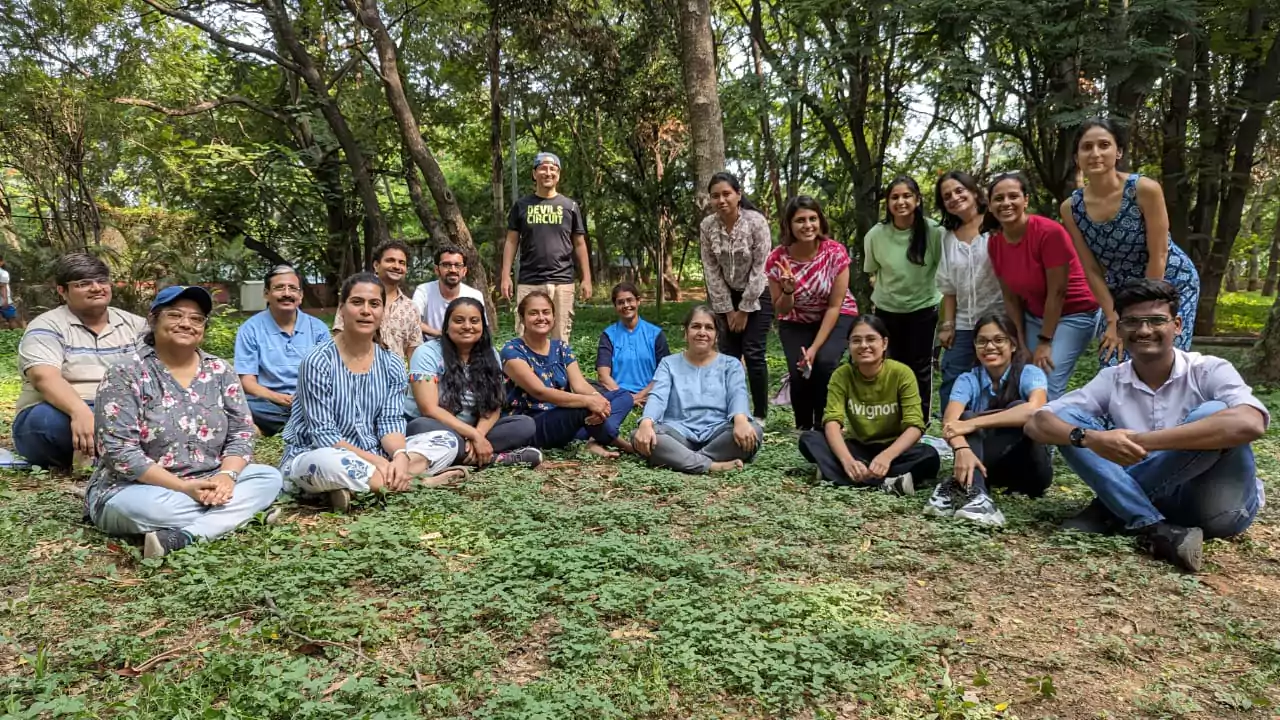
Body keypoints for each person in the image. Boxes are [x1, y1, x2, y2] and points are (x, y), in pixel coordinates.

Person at [1027, 279, 1268, 573]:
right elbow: (1038, 422)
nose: (1143, 331)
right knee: (1071, 426)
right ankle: (1155, 527)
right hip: (1157, 499)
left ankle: (1107, 509)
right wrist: (1091, 439)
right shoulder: (1112, 379)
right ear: (1119, 328)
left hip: (1217, 507)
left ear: (1177, 325)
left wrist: (1147, 441)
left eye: (1156, 321)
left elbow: (1251, 423)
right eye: (1132, 322)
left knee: (1215, 413)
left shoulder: (1208, 369)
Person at [85, 285, 282, 559]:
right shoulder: (126, 373)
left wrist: (226, 476)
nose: (186, 324)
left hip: (210, 478)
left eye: (196, 318)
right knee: (146, 509)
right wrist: (183, 488)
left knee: (269, 478)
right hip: (139, 490)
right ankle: (241, 514)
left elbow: (242, 433)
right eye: (175, 315)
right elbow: (120, 452)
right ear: (154, 320)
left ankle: (186, 536)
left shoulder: (220, 370)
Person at [281, 274, 463, 511]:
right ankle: (419, 483)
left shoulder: (392, 364)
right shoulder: (317, 361)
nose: (366, 311)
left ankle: (365, 485)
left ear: (383, 311)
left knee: (446, 440)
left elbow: (390, 421)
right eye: (357, 302)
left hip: (375, 454)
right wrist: (378, 461)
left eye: (374, 304)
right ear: (342, 309)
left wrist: (398, 455)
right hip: (318, 453)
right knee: (326, 463)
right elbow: (323, 435)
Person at [1063, 117, 1200, 364]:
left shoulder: (1144, 190)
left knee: (1160, 359)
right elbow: (1091, 269)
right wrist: (1114, 319)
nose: (1095, 153)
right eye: (1086, 147)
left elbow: (1159, 254)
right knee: (1113, 362)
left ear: (1119, 152)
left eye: (1104, 145)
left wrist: (1144, 315)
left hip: (1167, 280)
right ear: (1076, 158)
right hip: (1119, 291)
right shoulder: (1071, 208)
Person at [13, 253, 146, 470]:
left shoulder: (136, 325)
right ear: (62, 291)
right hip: (61, 410)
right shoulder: (47, 326)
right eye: (83, 283)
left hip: (122, 409)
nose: (96, 288)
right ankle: (125, 456)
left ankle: (105, 456)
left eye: (102, 281)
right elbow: (44, 377)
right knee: (46, 424)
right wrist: (79, 411)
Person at [925, 313, 1052, 527]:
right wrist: (962, 449)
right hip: (988, 469)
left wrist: (974, 423)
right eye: (982, 341)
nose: (989, 346)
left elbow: (1035, 411)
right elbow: (950, 423)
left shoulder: (1029, 373)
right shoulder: (968, 379)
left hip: (1031, 470)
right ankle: (978, 496)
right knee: (965, 416)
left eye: (998, 340)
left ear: (1012, 345)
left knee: (1016, 409)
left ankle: (961, 487)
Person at [986, 172, 1100, 399]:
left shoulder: (1049, 232)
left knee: (1047, 379)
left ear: (1025, 200)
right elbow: (1010, 297)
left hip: (1075, 313)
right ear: (989, 205)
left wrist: (1044, 342)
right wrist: (1017, 339)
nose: (1006, 203)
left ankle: (1055, 431)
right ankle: (1022, 430)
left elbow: (1057, 292)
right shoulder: (995, 242)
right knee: (1023, 374)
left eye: (1013, 196)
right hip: (1034, 315)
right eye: (998, 198)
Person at [798, 315, 940, 494]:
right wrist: (847, 461)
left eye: (871, 339)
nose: (864, 346)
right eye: (856, 340)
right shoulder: (842, 375)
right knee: (809, 439)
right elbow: (832, 421)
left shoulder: (901, 373)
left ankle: (837, 475)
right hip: (858, 448)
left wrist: (886, 456)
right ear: (849, 345)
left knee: (929, 455)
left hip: (894, 449)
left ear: (885, 343)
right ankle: (887, 482)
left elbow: (915, 425)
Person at [406, 297, 542, 467]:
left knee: (524, 425)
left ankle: (463, 454)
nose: (467, 326)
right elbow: (429, 409)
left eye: (474, 321)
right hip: (435, 428)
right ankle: (492, 458)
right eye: (459, 321)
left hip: (472, 429)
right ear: (447, 326)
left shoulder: (490, 354)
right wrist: (474, 436)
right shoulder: (427, 353)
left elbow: (494, 406)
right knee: (420, 426)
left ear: (482, 327)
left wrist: (478, 434)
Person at [631, 306, 763, 474]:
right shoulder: (668, 363)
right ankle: (711, 465)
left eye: (709, 327)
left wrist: (741, 421)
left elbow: (737, 394)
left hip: (718, 432)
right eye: (696, 326)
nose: (702, 332)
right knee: (639, 435)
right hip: (678, 434)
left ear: (716, 336)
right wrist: (646, 423)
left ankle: (681, 459)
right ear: (685, 333)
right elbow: (657, 397)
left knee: (754, 431)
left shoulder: (731, 364)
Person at [502, 290, 633, 458]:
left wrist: (596, 399)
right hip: (533, 424)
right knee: (582, 408)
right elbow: (540, 392)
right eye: (533, 313)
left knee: (623, 396)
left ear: (554, 317)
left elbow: (580, 385)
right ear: (522, 319)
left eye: (546, 312)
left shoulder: (561, 348)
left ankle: (594, 439)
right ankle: (619, 443)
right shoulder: (512, 350)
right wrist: (588, 402)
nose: (541, 317)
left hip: (564, 420)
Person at [766, 195, 859, 430]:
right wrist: (788, 290)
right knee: (799, 372)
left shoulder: (835, 253)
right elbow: (781, 309)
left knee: (824, 364)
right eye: (800, 220)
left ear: (820, 221)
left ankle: (825, 426)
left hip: (836, 314)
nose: (807, 226)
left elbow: (834, 306)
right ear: (789, 225)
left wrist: (814, 349)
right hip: (796, 318)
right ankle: (804, 428)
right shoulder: (777, 259)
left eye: (812, 219)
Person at [863, 175, 944, 420]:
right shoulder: (876, 235)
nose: (901, 201)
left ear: (918, 200)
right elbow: (872, 272)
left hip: (924, 308)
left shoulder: (934, 232)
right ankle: (891, 418)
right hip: (888, 311)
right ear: (887, 203)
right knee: (889, 365)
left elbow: (945, 270)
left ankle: (918, 421)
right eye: (895, 197)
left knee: (920, 367)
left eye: (907, 196)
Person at [700, 171, 773, 419]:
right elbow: (711, 270)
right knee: (728, 356)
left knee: (753, 352)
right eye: (715, 196)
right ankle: (732, 410)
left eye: (726, 194)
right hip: (724, 298)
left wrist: (744, 309)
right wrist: (728, 309)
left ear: (738, 195)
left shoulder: (756, 222)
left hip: (757, 293)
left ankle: (760, 414)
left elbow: (761, 267)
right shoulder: (707, 226)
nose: (721, 200)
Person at [500, 152, 592, 343]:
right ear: (534, 174)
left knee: (560, 339)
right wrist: (505, 276)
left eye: (553, 168)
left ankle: (558, 373)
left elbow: (580, 243)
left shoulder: (570, 206)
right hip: (529, 280)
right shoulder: (521, 206)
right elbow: (511, 241)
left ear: (558, 174)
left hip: (563, 281)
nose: (548, 172)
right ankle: (527, 373)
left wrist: (586, 278)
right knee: (526, 338)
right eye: (543, 167)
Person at [234, 264, 331, 436]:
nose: (287, 293)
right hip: (268, 402)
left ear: (300, 296)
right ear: (266, 294)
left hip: (310, 401)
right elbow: (247, 382)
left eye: (293, 288)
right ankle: (301, 425)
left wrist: (305, 400)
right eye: (279, 288)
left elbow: (328, 376)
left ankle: (266, 428)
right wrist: (280, 399)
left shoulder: (318, 328)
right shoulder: (250, 329)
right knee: (237, 402)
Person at [934, 171, 1002, 406]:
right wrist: (947, 325)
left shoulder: (997, 225)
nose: (954, 197)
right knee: (952, 378)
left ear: (973, 192)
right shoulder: (947, 239)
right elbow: (949, 288)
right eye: (947, 196)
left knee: (1000, 379)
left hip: (1001, 319)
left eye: (959, 190)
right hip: (964, 323)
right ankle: (954, 436)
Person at [334, 240, 421, 361]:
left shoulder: (411, 308)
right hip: (354, 373)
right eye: (390, 260)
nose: (396, 266)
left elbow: (413, 352)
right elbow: (339, 337)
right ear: (376, 265)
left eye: (402, 263)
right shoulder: (355, 299)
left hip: (394, 377)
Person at [596, 282, 670, 407]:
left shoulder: (655, 334)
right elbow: (603, 376)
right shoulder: (608, 335)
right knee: (588, 387)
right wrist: (626, 398)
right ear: (615, 306)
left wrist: (639, 396)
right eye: (620, 302)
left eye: (630, 300)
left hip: (649, 394)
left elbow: (664, 374)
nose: (626, 305)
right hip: (616, 393)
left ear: (638, 301)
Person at [412, 246, 485, 339]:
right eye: (446, 265)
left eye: (458, 265)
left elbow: (482, 327)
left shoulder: (475, 295)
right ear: (437, 269)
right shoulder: (424, 291)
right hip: (433, 345)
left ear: (464, 271)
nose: (453, 270)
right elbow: (412, 321)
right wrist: (442, 335)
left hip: (466, 344)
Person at [0, 255, 22, 329]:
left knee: (11, 319)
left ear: (2, 262)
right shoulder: (3, 273)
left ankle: (16, 334)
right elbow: (2, 287)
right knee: (11, 319)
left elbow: (3, 287)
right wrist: (5, 300)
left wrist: (5, 300)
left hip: (3, 301)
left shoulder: (3, 273)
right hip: (4, 301)